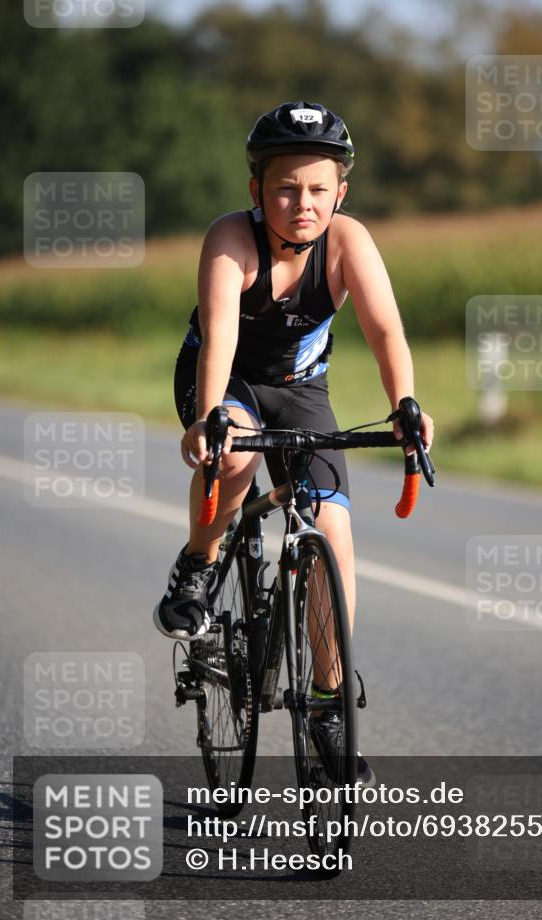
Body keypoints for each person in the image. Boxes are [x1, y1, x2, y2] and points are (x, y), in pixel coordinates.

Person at [153, 101, 434, 784]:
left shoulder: (348, 241)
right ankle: (199, 562)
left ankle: (327, 705)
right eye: (285, 188)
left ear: (340, 192)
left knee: (332, 532)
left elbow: (386, 332)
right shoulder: (230, 238)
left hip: (302, 388)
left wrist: (404, 405)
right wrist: (209, 418)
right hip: (225, 378)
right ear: (256, 190)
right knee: (237, 451)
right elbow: (220, 335)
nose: (302, 204)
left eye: (317, 189)